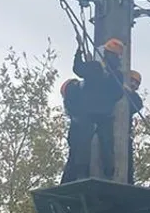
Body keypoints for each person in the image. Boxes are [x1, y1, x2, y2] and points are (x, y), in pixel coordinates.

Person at [73, 38, 126, 179]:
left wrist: (78, 52)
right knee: (105, 144)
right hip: (103, 114)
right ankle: (108, 172)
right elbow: (118, 94)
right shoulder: (113, 74)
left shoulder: (97, 68)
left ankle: (83, 172)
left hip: (90, 112)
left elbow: (77, 68)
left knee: (85, 142)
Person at [59, 78, 94, 183]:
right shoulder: (74, 96)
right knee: (76, 157)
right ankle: (80, 175)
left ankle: (77, 176)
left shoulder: (78, 100)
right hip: (80, 132)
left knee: (74, 159)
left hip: (81, 131)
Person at [126, 69, 143, 184]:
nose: (133, 84)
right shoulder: (114, 87)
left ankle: (128, 181)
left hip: (124, 134)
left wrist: (129, 92)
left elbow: (138, 105)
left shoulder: (135, 98)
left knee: (127, 162)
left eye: (136, 83)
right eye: (132, 81)